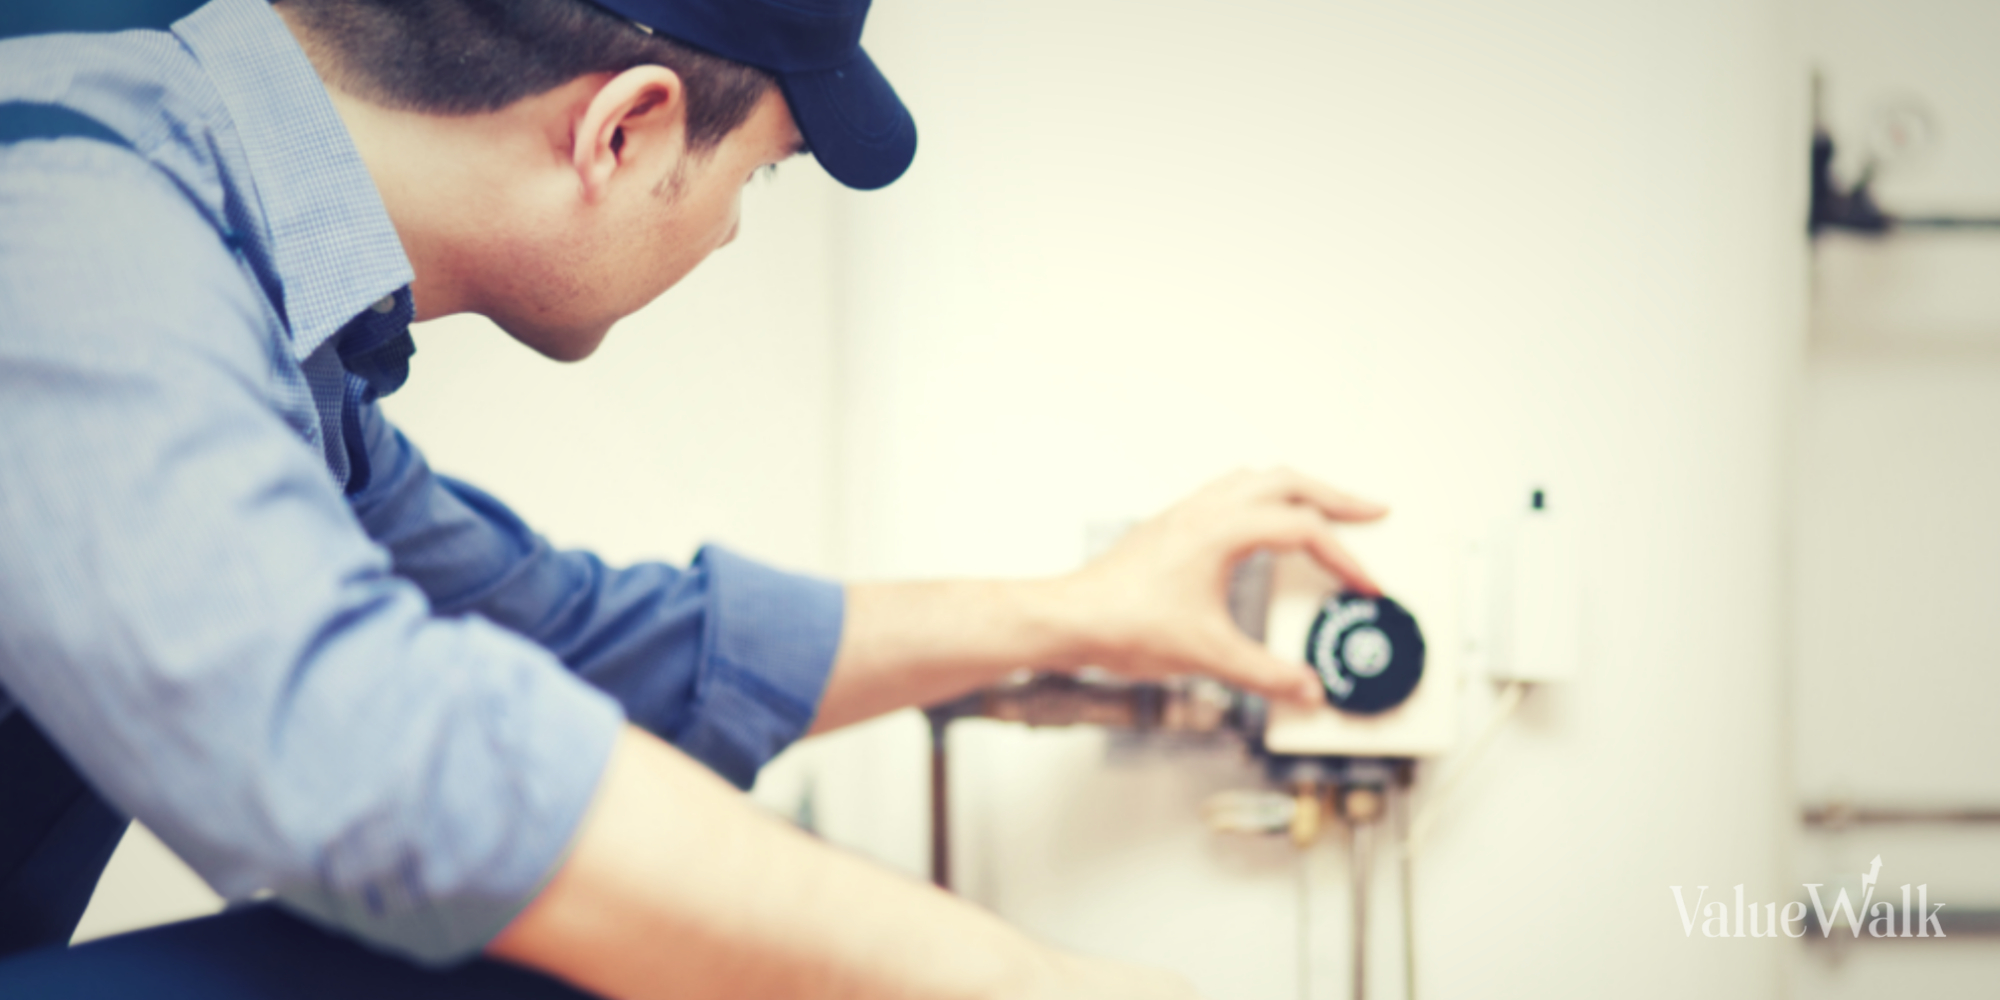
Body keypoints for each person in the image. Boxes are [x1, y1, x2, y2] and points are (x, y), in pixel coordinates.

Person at [0, 0, 1387, 996]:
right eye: (761, 177)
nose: (729, 228)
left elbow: (568, 646)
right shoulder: (63, 208)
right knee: (582, 933)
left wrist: (1074, 613)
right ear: (624, 131)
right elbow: (370, 752)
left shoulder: (275, 327)